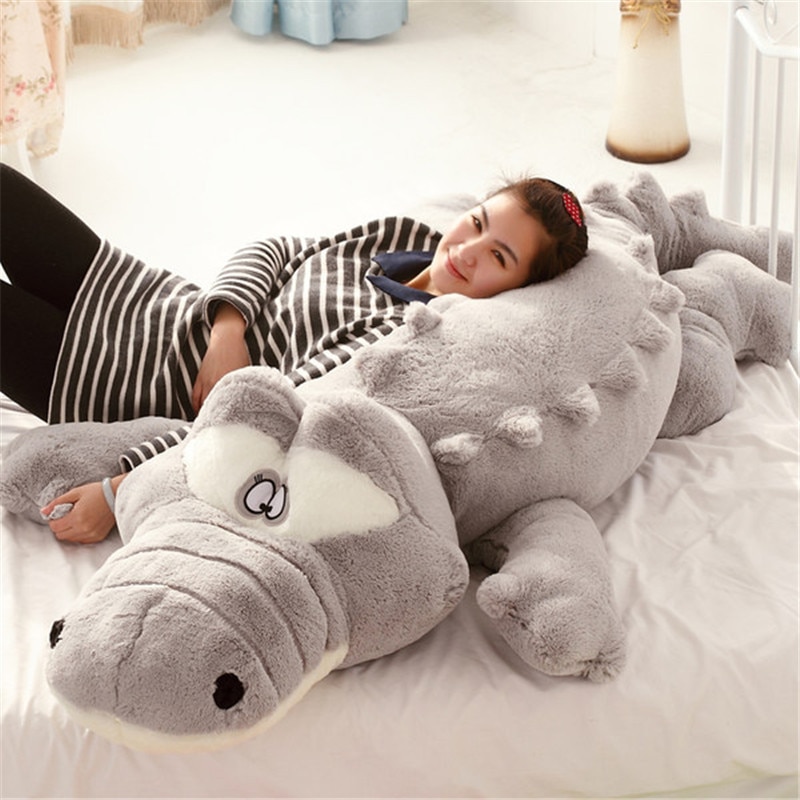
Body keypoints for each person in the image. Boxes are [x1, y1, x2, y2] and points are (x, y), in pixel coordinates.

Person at [0, 164, 588, 544]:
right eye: (478, 223)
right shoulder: (399, 237)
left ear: (516, 290)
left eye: (500, 257)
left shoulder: (403, 340)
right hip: (138, 295)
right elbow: (276, 250)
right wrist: (227, 328)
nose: (468, 249)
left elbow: (256, 424)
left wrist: (118, 489)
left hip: (106, 375)